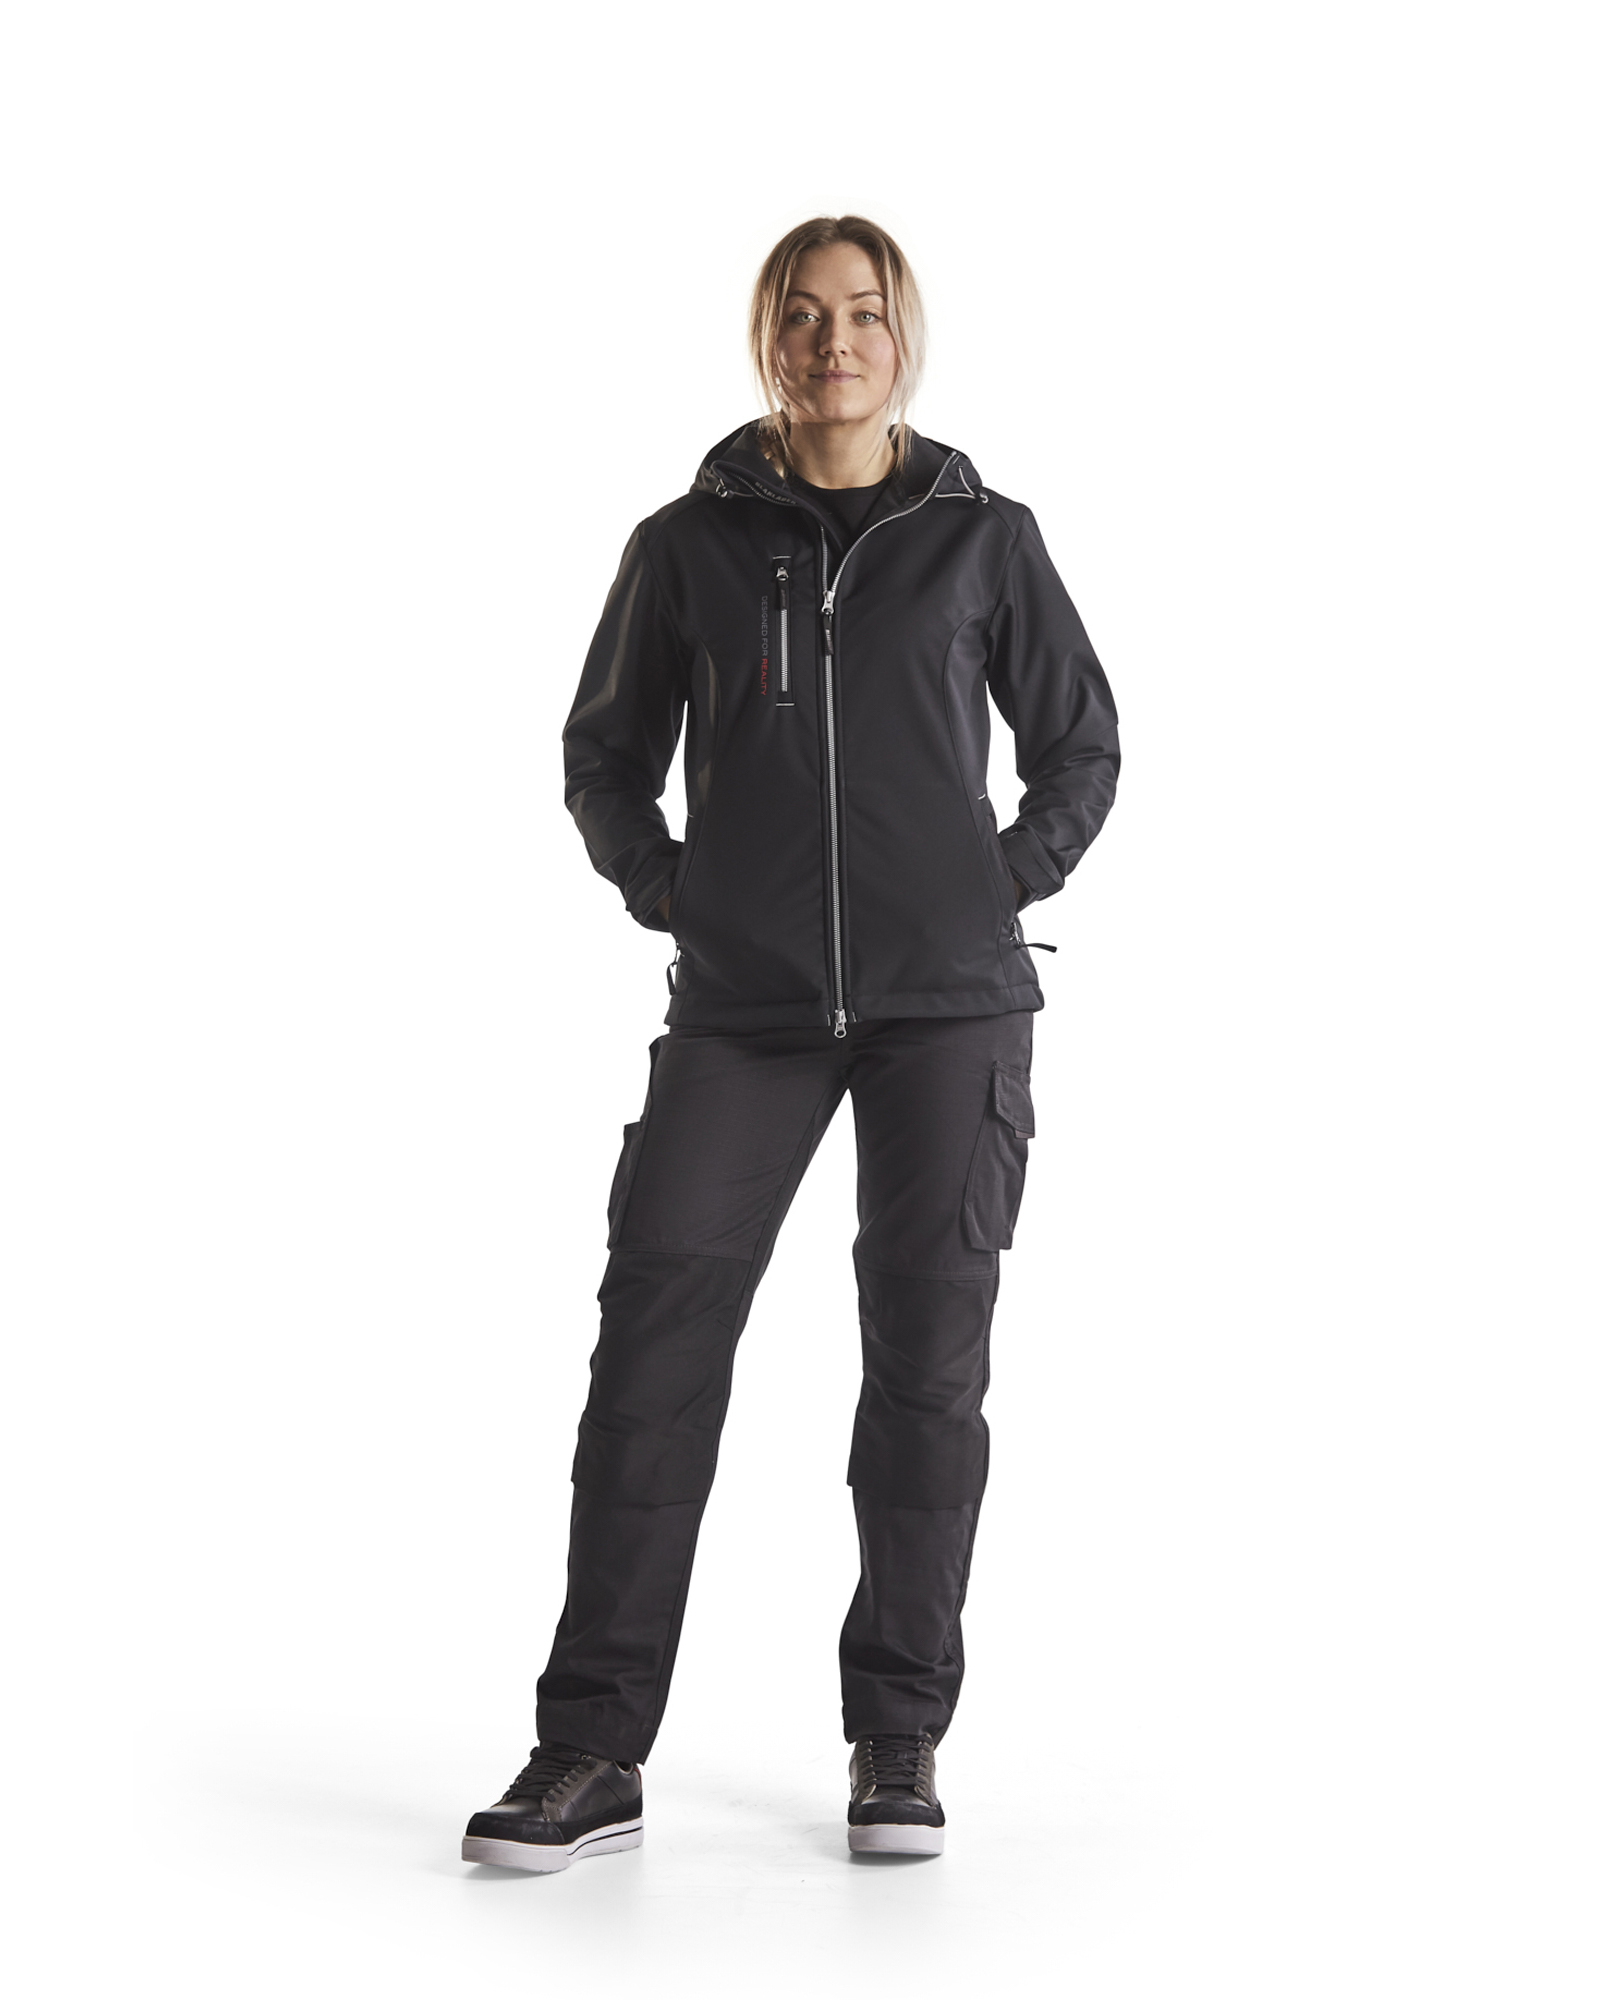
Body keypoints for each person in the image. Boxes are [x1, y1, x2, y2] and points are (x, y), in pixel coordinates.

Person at [461, 215, 1119, 1872]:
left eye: (865, 314)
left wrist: (995, 884)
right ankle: (590, 1748)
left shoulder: (986, 541)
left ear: (906, 339)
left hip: (948, 1014)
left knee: (926, 1371)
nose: (837, 343)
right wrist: (677, 893)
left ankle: (898, 1737)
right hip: (743, 1014)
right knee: (651, 1356)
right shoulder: (685, 547)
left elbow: (1084, 746)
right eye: (807, 316)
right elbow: (603, 757)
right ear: (768, 338)